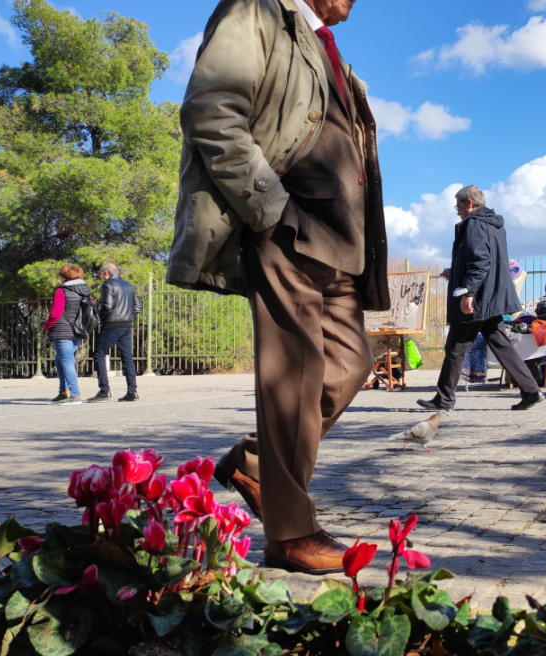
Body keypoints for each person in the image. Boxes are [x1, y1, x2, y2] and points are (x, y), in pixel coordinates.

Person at [169, 0, 389, 574]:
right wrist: (269, 208)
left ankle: (256, 464)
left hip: (339, 241)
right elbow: (212, 109)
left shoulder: (333, 56)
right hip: (287, 223)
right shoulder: (259, 10)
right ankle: (290, 534)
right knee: (294, 373)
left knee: (351, 362)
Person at [417, 185, 544, 411]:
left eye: (458, 205)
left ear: (469, 203)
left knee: (456, 348)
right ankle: (531, 391)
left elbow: (480, 261)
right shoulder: (495, 226)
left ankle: (444, 399)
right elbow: (485, 261)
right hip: (492, 297)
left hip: (479, 300)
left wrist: (468, 292)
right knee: (502, 345)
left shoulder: (473, 224)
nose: (457, 210)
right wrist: (455, 270)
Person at [88, 263, 142, 403]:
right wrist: (127, 317)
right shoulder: (128, 285)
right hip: (127, 325)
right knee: (127, 358)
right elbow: (138, 307)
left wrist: (99, 318)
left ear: (106, 273)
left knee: (99, 354)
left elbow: (107, 306)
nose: (100, 277)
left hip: (112, 325)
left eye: (100, 273)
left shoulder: (108, 285)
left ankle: (104, 390)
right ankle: (132, 391)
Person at [43, 265, 92, 405]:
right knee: (60, 360)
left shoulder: (61, 291)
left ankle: (75, 394)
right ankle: (63, 392)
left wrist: (47, 326)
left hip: (62, 330)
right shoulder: (86, 291)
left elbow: (55, 313)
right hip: (78, 330)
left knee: (67, 361)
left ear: (65, 277)